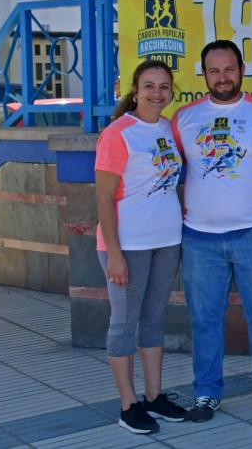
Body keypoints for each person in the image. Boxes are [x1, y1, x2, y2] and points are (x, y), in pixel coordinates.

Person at [173, 40, 252, 422]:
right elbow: (173, 174)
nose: (222, 77)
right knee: (204, 320)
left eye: (229, 69)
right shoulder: (183, 119)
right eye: (214, 71)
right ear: (204, 73)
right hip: (199, 239)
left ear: (242, 69)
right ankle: (207, 392)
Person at [94, 60, 187, 434]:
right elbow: (102, 199)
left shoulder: (167, 128)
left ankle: (154, 396)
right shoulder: (118, 134)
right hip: (127, 245)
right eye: (149, 86)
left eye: (164, 87)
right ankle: (128, 404)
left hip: (166, 241)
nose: (156, 93)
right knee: (124, 323)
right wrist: (114, 253)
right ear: (134, 89)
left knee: (152, 321)